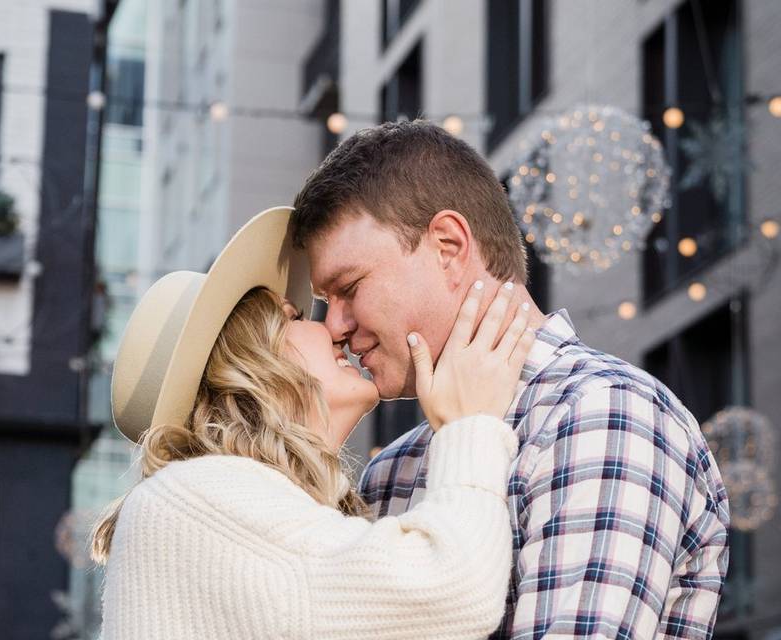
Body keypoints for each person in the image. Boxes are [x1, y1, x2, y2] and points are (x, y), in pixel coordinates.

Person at [290, 120, 731, 639]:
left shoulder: (603, 414)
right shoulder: (392, 471)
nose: (334, 326)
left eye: (349, 288)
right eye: (325, 303)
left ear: (449, 247)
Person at [91, 207, 535, 639]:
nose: (333, 329)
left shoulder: (225, 503)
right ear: (251, 363)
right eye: (295, 318)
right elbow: (452, 591)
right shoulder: (197, 497)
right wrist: (470, 425)